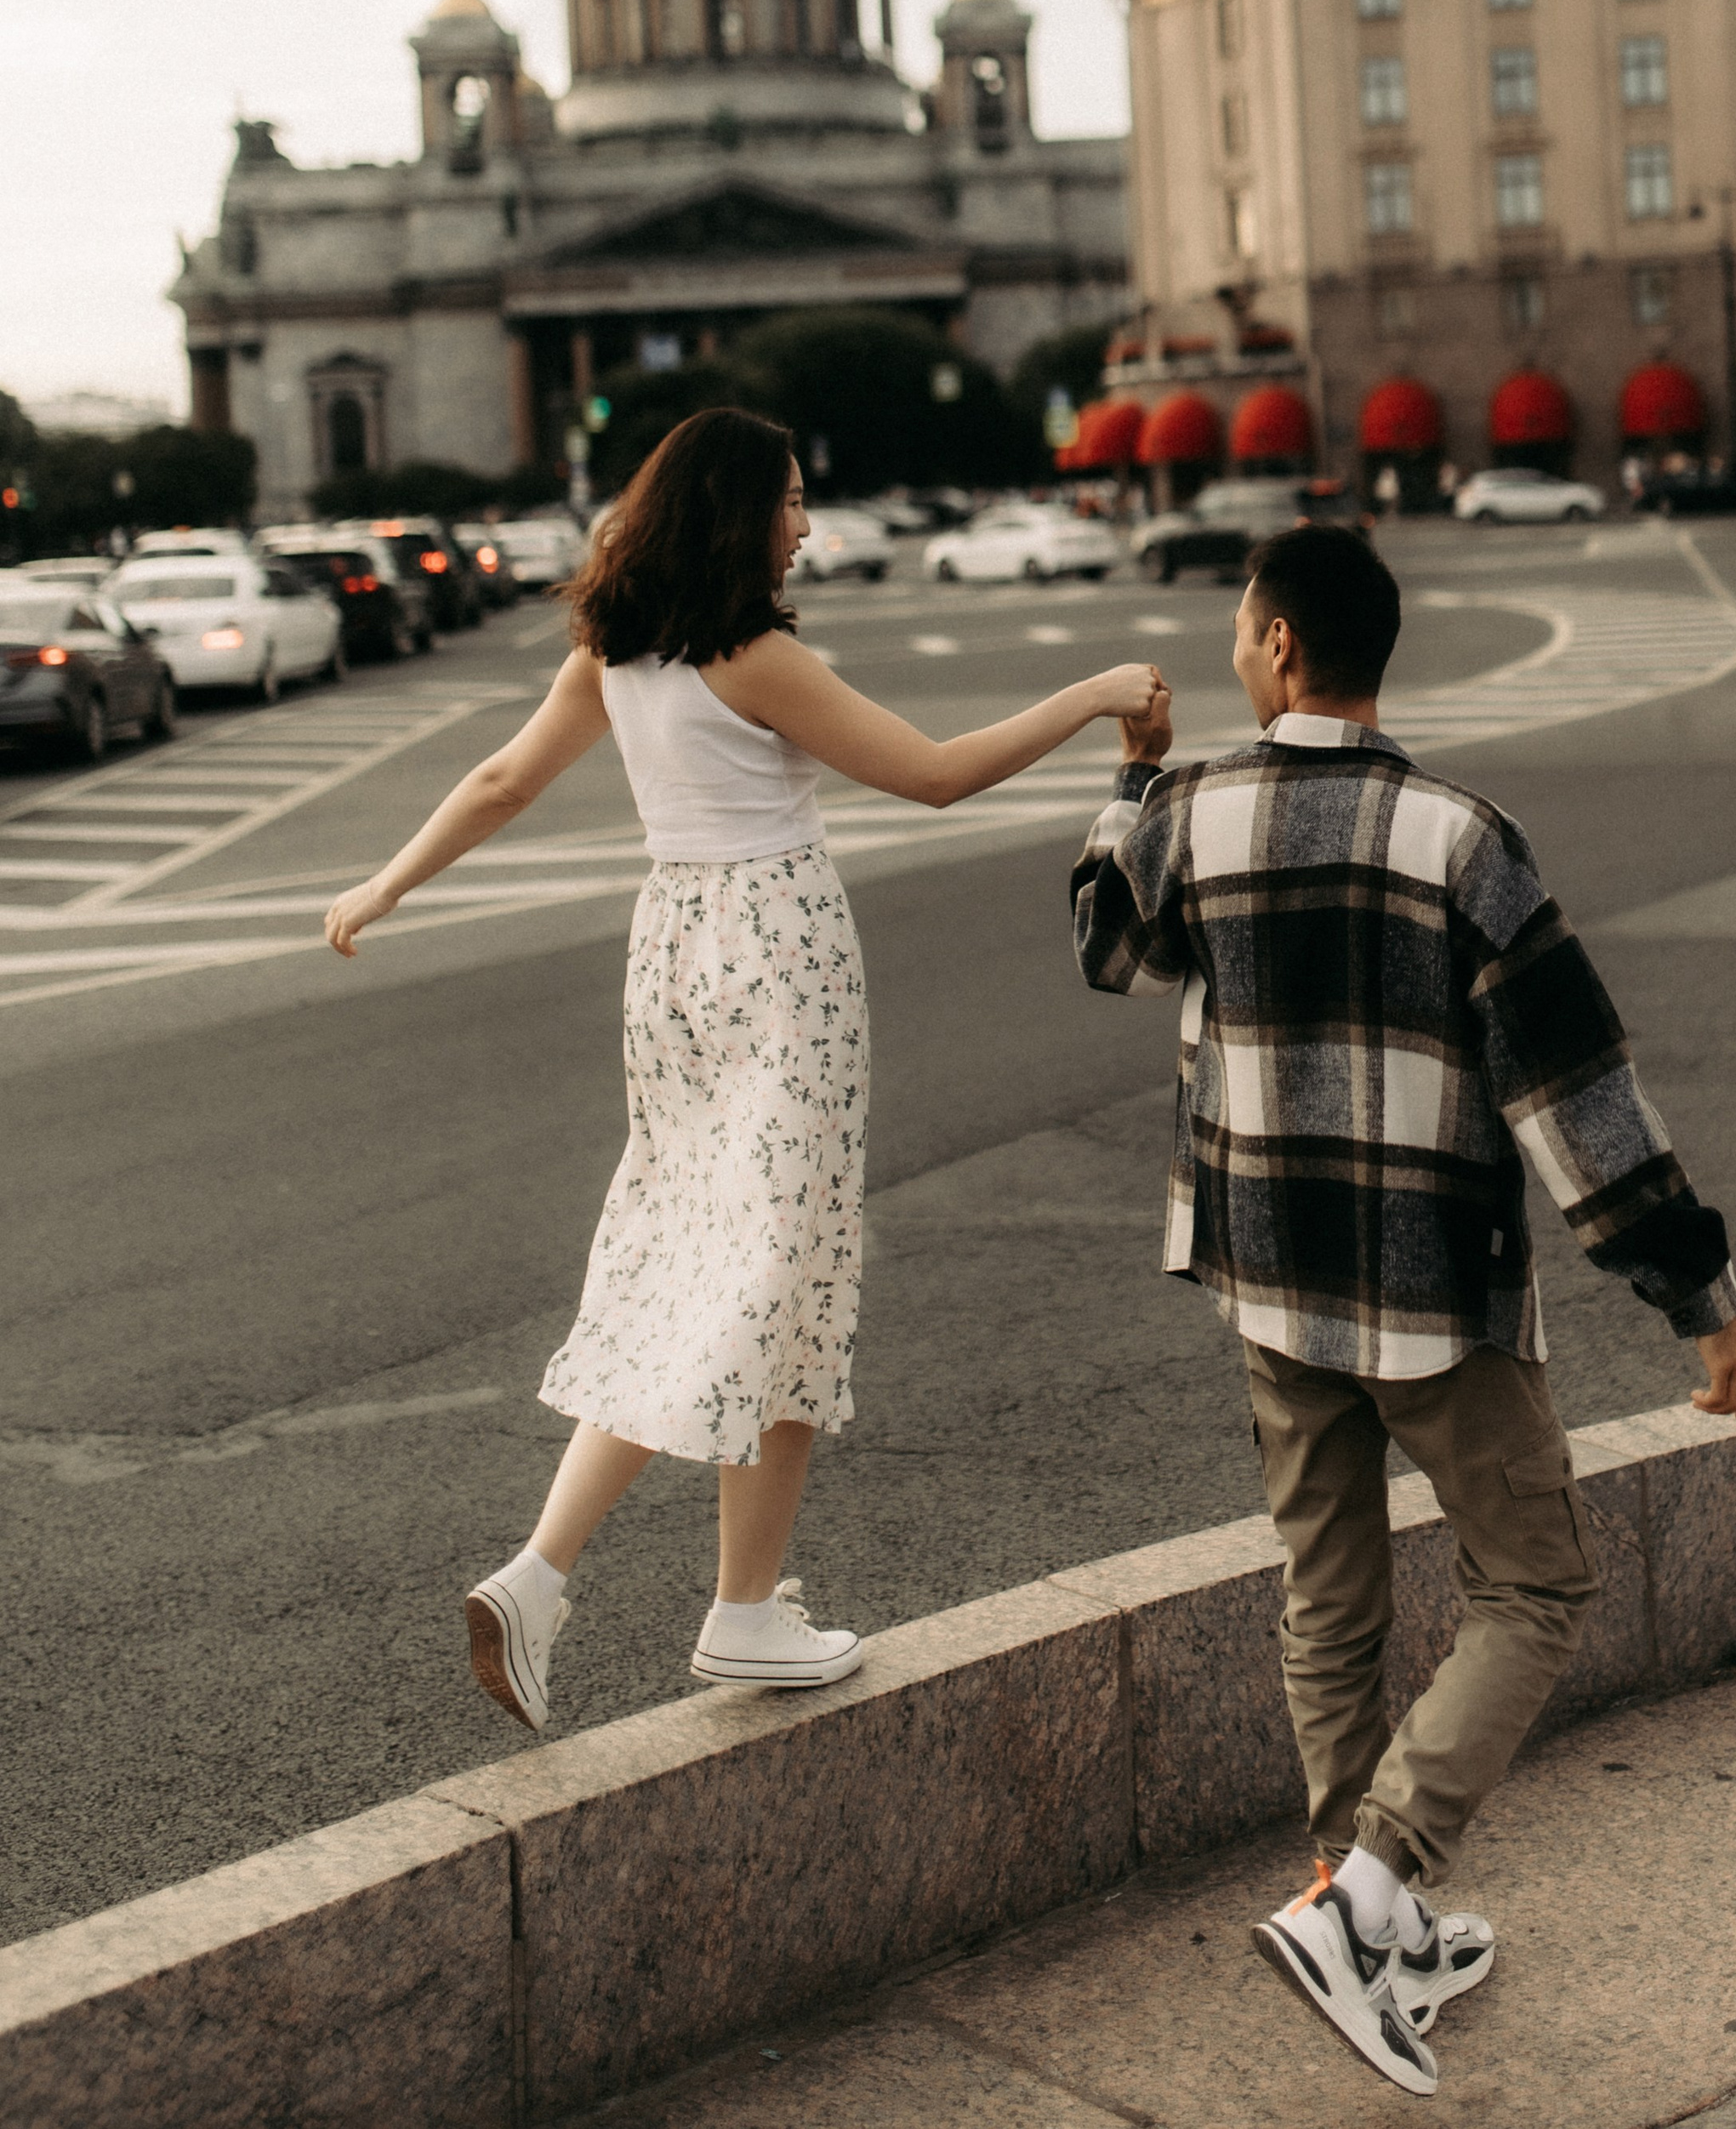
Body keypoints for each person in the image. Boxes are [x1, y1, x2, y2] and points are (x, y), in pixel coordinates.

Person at [326, 407, 1165, 1735]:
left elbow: (498, 782)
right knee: (780, 1266)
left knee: (701, 1253)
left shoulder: (615, 649)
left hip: (672, 954)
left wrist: (383, 880)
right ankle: (626, 1588)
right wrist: (1099, 694)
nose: (806, 523)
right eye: (788, 500)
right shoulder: (754, 655)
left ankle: (715, 1601)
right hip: (781, 954)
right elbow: (936, 777)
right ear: (736, 513)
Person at [1070, 521, 1736, 2098]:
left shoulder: (1192, 809)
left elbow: (1106, 943)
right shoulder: (1465, 838)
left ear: (1278, 649)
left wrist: (1133, 769)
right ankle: (1369, 1897)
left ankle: (1354, 1905)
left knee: (1332, 1596)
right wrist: (1696, 1291)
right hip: (1429, 1292)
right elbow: (1578, 1096)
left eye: (1245, 624)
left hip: (1266, 1277)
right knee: (1539, 1581)